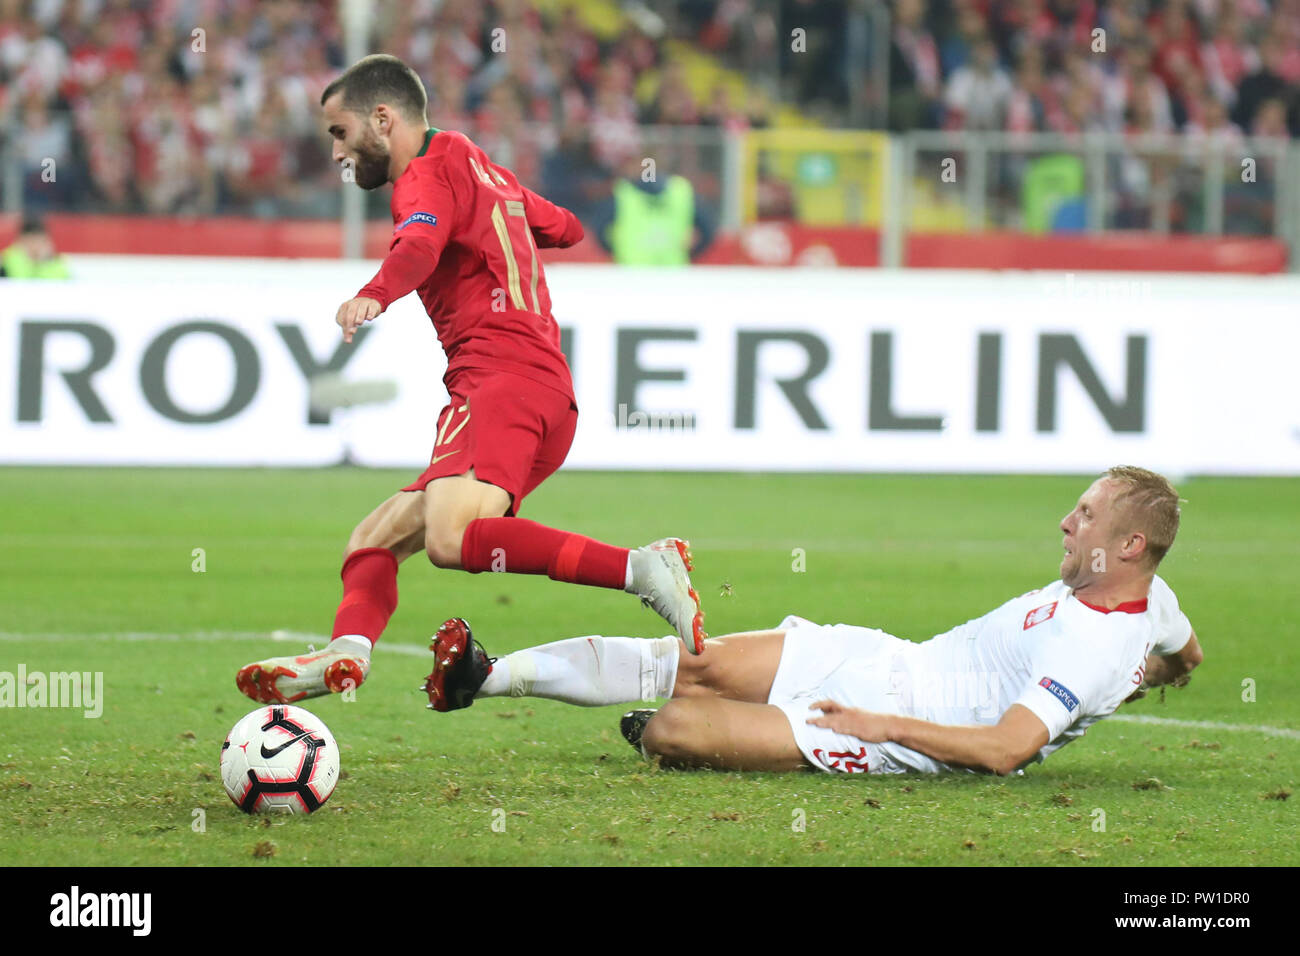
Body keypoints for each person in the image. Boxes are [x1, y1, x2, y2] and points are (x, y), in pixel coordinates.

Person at [236, 55, 706, 709]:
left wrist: (373, 294)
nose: (338, 153)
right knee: (375, 537)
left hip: (498, 381)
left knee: (450, 540)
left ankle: (642, 569)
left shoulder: (424, 176)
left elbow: (420, 246)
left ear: (383, 118)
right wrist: (502, 209)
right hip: (542, 394)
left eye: (340, 134)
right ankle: (346, 652)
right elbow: (564, 227)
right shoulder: (478, 166)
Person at [427, 466, 1203, 775]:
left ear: (1130, 545)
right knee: (695, 658)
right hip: (888, 658)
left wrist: (882, 725)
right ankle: (485, 678)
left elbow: (1006, 749)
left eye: (1087, 514)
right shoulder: (1149, 606)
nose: (1067, 523)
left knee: (675, 732)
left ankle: (686, 725)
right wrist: (1148, 677)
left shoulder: (1092, 647)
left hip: (895, 725)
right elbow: (1184, 654)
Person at [0, 215, 72, 279]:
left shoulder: (55, 262)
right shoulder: (8, 260)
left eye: (39, 242)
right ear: (21, 241)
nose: (35, 247)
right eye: (31, 242)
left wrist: (44, 262)